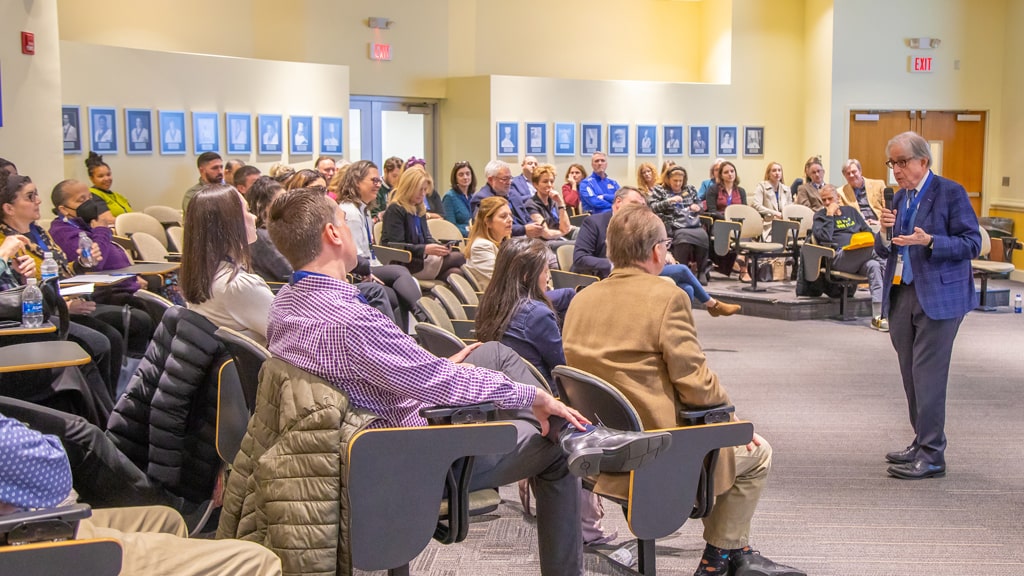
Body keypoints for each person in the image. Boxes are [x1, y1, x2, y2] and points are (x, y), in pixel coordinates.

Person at [264, 187, 672, 576]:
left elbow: (389, 370)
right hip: (410, 456)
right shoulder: (351, 321)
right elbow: (431, 381)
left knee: (491, 352)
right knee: (555, 449)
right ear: (333, 233)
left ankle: (576, 432)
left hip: (358, 446)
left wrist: (435, 364)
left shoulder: (285, 305)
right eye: (345, 222)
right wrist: (531, 396)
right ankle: (577, 438)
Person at [562, 203, 806, 576]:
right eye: (667, 243)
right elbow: (695, 381)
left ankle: (736, 551)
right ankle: (717, 558)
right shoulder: (666, 296)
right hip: (660, 449)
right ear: (658, 250)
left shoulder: (580, 299)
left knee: (732, 435)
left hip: (601, 450)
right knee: (758, 452)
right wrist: (729, 417)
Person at [0, 412, 283, 575]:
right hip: (27, 546)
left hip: (27, 527)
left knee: (166, 519)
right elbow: (53, 472)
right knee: (258, 560)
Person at [474, 237, 618, 547]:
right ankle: (588, 528)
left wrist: (582, 293)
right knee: (597, 412)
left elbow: (559, 294)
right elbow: (562, 367)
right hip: (546, 406)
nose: (550, 273)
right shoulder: (537, 314)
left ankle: (536, 485)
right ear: (528, 274)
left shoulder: (493, 303)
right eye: (545, 268)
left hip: (508, 406)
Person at [876, 131, 981, 481]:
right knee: (910, 375)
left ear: (924, 161)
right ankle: (922, 441)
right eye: (892, 163)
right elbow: (887, 250)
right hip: (902, 293)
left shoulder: (950, 193)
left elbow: (971, 244)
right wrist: (882, 232)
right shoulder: (899, 198)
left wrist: (932, 240)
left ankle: (933, 455)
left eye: (902, 162)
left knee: (929, 377)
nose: (897, 171)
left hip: (940, 297)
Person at [0, 171, 121, 395]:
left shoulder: (40, 233)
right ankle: (102, 413)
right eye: (30, 197)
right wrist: (61, 305)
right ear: (8, 208)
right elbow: (19, 293)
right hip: (39, 314)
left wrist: (83, 263)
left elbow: (61, 273)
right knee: (102, 341)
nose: (39, 201)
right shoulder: (6, 242)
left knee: (122, 325)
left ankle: (108, 407)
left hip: (62, 302)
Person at [574, 187, 739, 316]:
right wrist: (613, 265)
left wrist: (664, 253)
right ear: (618, 202)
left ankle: (677, 333)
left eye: (642, 206)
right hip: (610, 274)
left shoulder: (635, 225)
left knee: (686, 290)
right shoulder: (594, 222)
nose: (639, 210)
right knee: (682, 270)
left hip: (638, 271)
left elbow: (649, 247)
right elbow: (580, 258)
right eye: (635, 204)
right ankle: (712, 305)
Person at [49, 179, 155, 353]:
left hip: (124, 286)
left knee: (159, 312)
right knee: (141, 318)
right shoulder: (63, 231)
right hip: (100, 292)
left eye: (90, 197)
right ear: (63, 209)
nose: (89, 203)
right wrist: (101, 230)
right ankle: (133, 369)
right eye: (81, 200)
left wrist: (134, 277)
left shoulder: (86, 224)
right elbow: (94, 265)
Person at [181, 184, 274, 345]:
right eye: (247, 211)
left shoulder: (203, 275)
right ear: (229, 224)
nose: (254, 217)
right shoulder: (238, 286)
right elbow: (294, 338)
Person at [336, 160, 422, 329]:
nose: (378, 185)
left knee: (398, 291)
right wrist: (368, 271)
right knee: (400, 272)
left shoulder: (363, 210)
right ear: (356, 181)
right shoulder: (351, 213)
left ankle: (408, 335)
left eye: (379, 181)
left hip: (369, 265)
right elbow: (354, 256)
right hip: (358, 269)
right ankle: (424, 316)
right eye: (373, 181)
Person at [813, 185, 887, 330]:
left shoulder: (851, 212)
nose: (827, 202)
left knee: (875, 266)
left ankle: (878, 316)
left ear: (838, 198)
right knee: (881, 251)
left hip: (862, 256)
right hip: (839, 257)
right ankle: (893, 297)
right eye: (824, 200)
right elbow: (825, 239)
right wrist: (829, 214)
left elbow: (868, 232)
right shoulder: (820, 216)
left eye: (830, 199)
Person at [381, 167, 466, 281]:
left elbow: (427, 238)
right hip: (406, 263)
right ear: (409, 188)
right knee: (459, 257)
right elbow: (396, 246)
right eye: (419, 189)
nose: (423, 194)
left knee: (456, 273)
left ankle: (435, 298)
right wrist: (425, 249)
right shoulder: (395, 209)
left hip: (421, 259)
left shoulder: (419, 208)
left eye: (425, 190)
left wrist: (440, 247)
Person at [649, 165, 712, 282]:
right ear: (668, 179)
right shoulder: (660, 190)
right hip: (671, 223)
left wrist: (697, 207)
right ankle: (680, 269)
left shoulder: (690, 189)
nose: (678, 184)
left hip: (690, 223)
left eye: (680, 181)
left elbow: (701, 205)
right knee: (683, 238)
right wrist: (668, 201)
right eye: (675, 181)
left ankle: (702, 270)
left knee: (703, 236)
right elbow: (652, 207)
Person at [470, 160, 543, 239]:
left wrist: (534, 227)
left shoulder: (513, 194)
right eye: (505, 179)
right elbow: (486, 227)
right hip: (503, 241)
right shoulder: (483, 199)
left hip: (526, 238)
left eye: (510, 178)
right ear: (491, 180)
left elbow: (526, 217)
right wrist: (524, 229)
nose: (509, 182)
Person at [705, 161, 749, 281]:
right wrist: (727, 219)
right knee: (734, 232)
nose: (730, 174)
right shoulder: (713, 189)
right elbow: (712, 210)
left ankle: (742, 267)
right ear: (720, 175)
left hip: (738, 223)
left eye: (732, 171)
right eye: (726, 172)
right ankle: (741, 267)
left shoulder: (741, 191)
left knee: (746, 233)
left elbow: (745, 209)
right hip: (720, 223)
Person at [464, 196, 513, 290]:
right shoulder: (481, 246)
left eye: (510, 215)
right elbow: (497, 283)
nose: (510, 220)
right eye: (503, 216)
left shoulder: (499, 244)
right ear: (488, 222)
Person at [527, 164, 573, 243]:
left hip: (559, 236)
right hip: (544, 242)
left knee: (585, 235)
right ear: (535, 185)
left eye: (551, 181)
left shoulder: (554, 201)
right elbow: (546, 234)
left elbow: (566, 227)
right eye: (545, 181)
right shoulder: (531, 204)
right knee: (575, 245)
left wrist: (560, 203)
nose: (549, 185)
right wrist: (563, 232)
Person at [751, 161, 792, 239]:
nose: (777, 173)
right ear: (768, 173)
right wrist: (775, 213)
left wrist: (783, 215)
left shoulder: (787, 189)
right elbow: (756, 205)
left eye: (779, 170)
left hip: (784, 223)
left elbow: (790, 208)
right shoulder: (762, 186)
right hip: (767, 223)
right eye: (774, 170)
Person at [84, 152, 133, 217]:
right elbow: (107, 219)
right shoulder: (92, 195)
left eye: (108, 174)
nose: (106, 178)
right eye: (100, 176)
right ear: (91, 179)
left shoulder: (118, 196)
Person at [839, 158, 885, 226]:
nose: (851, 175)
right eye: (848, 173)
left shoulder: (879, 185)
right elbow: (842, 216)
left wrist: (881, 222)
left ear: (860, 171)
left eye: (854, 172)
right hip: (857, 227)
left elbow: (888, 209)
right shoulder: (840, 192)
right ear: (844, 176)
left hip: (879, 224)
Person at [443, 161, 475, 237]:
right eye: (461, 175)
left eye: (468, 174)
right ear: (455, 178)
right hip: (460, 240)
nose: (465, 177)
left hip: (475, 238)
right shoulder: (449, 197)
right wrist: (469, 231)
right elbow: (450, 226)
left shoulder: (473, 196)